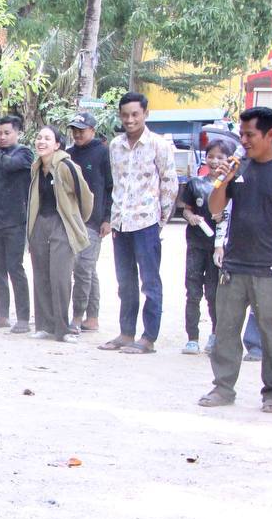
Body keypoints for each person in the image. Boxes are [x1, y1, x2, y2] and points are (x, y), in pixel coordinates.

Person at [200, 106, 272, 414]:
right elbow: (215, 208)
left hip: (271, 268)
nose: (243, 141)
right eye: (242, 135)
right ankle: (223, 387)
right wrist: (223, 181)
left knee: (270, 332)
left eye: (250, 135)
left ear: (270, 134)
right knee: (226, 330)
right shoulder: (238, 168)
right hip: (233, 266)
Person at [98, 91, 177, 355]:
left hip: (147, 223)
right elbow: (116, 184)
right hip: (121, 224)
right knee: (125, 282)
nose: (130, 120)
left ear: (145, 114)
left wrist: (160, 221)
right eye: (125, 115)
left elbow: (169, 183)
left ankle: (148, 338)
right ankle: (126, 333)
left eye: (135, 114)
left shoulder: (158, 145)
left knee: (150, 282)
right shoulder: (115, 146)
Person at [26, 126, 94, 343]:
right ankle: (44, 326)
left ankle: (63, 329)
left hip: (61, 225)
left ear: (57, 144)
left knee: (60, 278)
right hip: (40, 223)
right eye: (39, 138)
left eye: (47, 138)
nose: (41, 142)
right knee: (41, 275)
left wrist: (76, 220)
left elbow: (85, 197)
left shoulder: (66, 166)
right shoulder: (36, 168)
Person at [0, 115, 33, 334]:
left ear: (17, 133)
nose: (1, 137)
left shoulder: (24, 153)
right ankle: (1, 315)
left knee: (15, 268)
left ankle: (23, 318)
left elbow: (10, 166)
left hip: (14, 222)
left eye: (7, 133)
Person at [180, 141, 229, 355]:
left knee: (213, 293)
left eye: (220, 157)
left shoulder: (230, 186)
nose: (215, 161)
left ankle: (215, 335)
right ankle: (192, 338)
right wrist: (191, 217)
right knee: (192, 292)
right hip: (196, 245)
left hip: (218, 249)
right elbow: (186, 210)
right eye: (211, 156)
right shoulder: (195, 184)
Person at [65, 111, 112, 334]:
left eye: (81, 130)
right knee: (88, 269)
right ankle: (92, 317)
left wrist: (108, 219)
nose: (77, 134)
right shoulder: (68, 155)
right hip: (72, 220)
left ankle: (77, 317)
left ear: (92, 130)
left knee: (83, 269)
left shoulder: (103, 153)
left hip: (94, 222)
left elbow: (111, 187)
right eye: (74, 130)